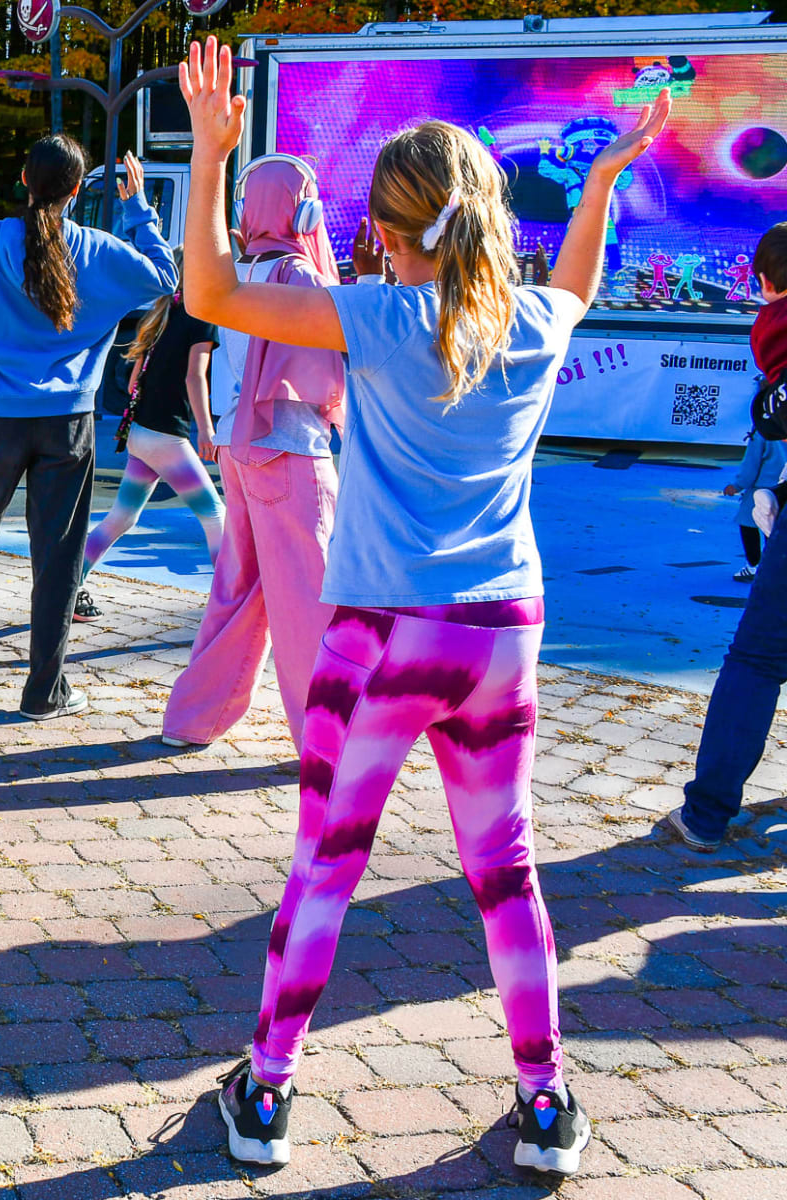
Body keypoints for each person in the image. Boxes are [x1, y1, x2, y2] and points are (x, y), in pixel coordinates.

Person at [177, 36, 670, 1177]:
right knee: (507, 871)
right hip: (501, 632)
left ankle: (266, 1098)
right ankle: (546, 1106)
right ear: (488, 213)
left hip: (381, 632)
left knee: (327, 866)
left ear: (388, 235)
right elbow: (580, 282)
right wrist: (597, 184)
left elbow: (209, 292)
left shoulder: (378, 320)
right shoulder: (537, 323)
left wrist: (211, 157)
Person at [0, 139, 176, 719]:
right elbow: (166, 279)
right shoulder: (97, 249)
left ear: (23, 177)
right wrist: (139, 209)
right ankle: (45, 690)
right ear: (77, 191)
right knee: (59, 551)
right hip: (68, 422)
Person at [160, 154, 347, 753]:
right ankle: (331, 742)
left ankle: (192, 718)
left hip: (241, 452)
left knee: (237, 591)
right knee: (313, 605)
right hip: (292, 453)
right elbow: (343, 364)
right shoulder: (302, 279)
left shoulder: (236, 273)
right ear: (305, 209)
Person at [672, 222, 787, 851]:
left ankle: (708, 813)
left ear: (766, 282)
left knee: (757, 659)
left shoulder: (775, 326)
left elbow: (776, 410)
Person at [74, 245, 224, 623]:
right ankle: (229, 605)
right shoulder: (201, 317)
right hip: (165, 439)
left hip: (140, 433)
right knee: (215, 515)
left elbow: (134, 383)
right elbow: (194, 377)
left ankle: (69, 585)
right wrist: (206, 429)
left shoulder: (163, 312)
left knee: (122, 518)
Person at [722, 429, 787, 581]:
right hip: (783, 488)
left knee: (748, 523)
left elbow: (751, 463)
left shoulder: (762, 431)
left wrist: (737, 485)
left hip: (762, 486)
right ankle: (776, 565)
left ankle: (754, 565)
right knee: (775, 528)